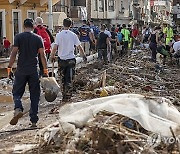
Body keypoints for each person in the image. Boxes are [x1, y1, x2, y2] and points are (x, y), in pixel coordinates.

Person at [7, 18, 48, 127]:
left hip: (21, 70)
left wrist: (9, 67)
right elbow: (42, 56)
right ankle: (33, 120)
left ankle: (18, 107)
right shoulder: (38, 38)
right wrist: (45, 70)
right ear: (33, 27)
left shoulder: (18, 37)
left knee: (16, 92)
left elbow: (14, 53)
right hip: (34, 70)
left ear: (24, 26)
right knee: (35, 95)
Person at [51, 18, 87, 101]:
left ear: (63, 24)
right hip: (71, 60)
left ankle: (64, 95)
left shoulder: (59, 35)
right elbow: (79, 46)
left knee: (62, 78)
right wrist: (84, 55)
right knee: (69, 78)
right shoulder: (73, 35)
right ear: (71, 25)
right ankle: (68, 95)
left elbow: (55, 47)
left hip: (62, 60)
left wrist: (52, 56)